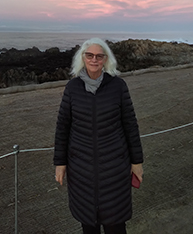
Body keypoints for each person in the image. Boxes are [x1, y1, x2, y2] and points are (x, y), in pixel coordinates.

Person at [54, 38, 143, 234]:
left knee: (116, 225)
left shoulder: (118, 86)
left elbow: (130, 125)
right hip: (81, 169)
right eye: (89, 55)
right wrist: (60, 163)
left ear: (105, 59)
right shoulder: (72, 88)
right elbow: (63, 128)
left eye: (99, 56)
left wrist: (137, 162)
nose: (94, 60)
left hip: (115, 167)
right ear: (83, 58)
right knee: (89, 225)